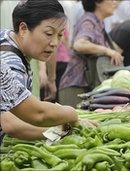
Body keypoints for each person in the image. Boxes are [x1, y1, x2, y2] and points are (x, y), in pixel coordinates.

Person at [0, 0, 97, 142]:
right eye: (48, 33)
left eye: (59, 35)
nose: (55, 43)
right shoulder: (11, 63)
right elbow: (12, 124)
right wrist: (64, 126)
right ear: (23, 29)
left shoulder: (7, 36)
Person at [59, 0, 123, 108]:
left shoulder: (98, 22)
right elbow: (79, 44)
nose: (115, 2)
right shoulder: (88, 21)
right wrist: (108, 51)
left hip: (84, 87)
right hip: (76, 88)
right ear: (98, 2)